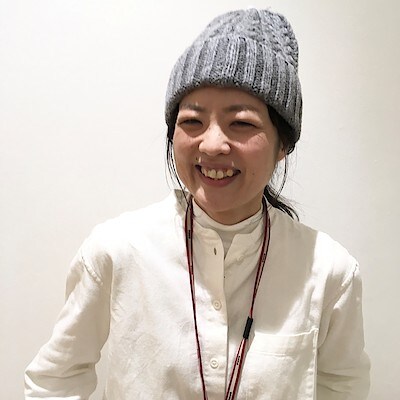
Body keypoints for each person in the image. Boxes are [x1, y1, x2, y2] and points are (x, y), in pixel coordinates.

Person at [24, 8, 370, 400]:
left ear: (283, 145)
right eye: (192, 121)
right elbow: (55, 379)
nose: (212, 144)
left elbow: (342, 386)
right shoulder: (118, 251)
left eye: (241, 123)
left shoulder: (328, 271)